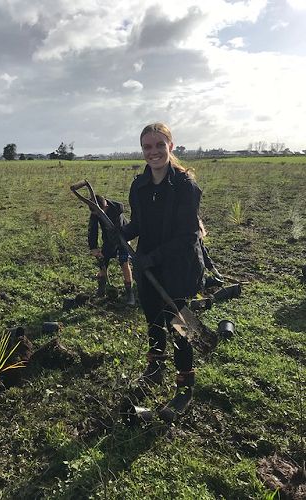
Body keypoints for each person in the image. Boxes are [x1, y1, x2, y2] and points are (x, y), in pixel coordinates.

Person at [121, 123, 205, 422]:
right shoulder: (140, 185)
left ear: (171, 146)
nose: (153, 152)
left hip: (180, 266)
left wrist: (152, 257)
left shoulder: (185, 186)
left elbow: (189, 235)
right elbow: (139, 224)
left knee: (180, 327)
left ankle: (185, 387)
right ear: (142, 149)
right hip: (148, 265)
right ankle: (155, 368)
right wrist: (118, 233)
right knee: (153, 318)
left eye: (159, 145)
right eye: (147, 147)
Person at [88, 195, 135, 306]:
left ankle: (130, 293)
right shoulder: (95, 211)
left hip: (123, 237)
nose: (97, 215)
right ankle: (101, 289)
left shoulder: (116, 209)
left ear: (106, 206)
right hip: (108, 239)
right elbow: (92, 229)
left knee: (124, 262)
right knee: (102, 261)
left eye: (98, 213)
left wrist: (117, 246)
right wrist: (93, 247)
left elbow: (117, 232)